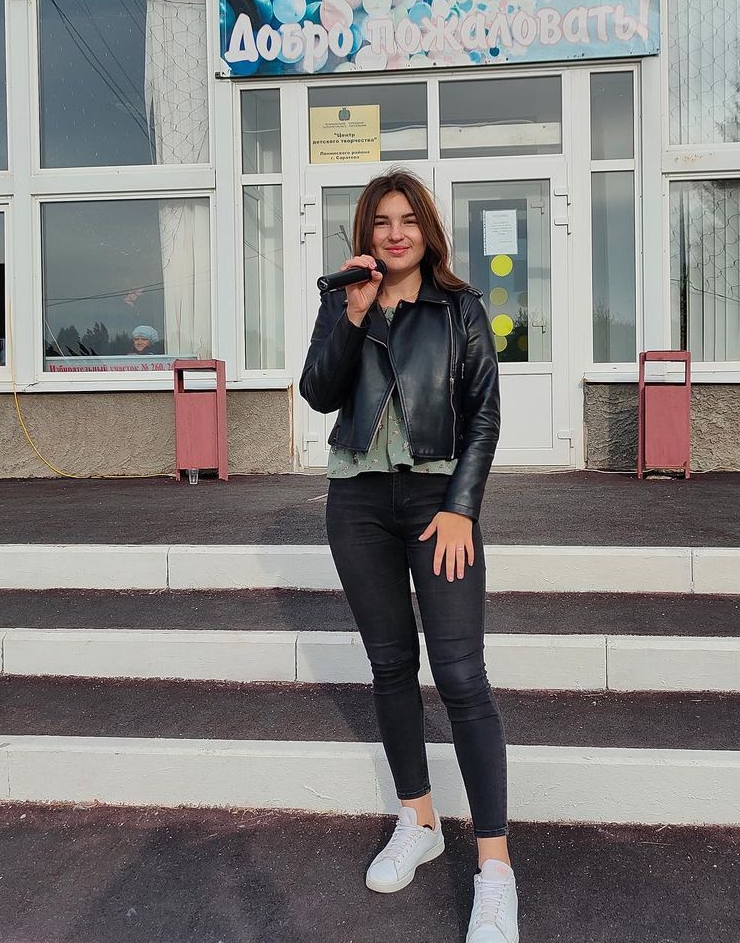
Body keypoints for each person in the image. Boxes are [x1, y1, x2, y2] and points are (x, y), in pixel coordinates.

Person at [299, 170, 517, 943]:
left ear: (427, 230)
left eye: (409, 221)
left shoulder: (460, 308)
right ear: (366, 232)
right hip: (357, 504)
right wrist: (353, 314)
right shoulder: (344, 300)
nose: (396, 234)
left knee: (460, 675)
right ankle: (418, 820)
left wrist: (462, 507)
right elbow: (318, 392)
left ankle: (495, 870)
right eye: (382, 221)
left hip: (436, 504)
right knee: (391, 666)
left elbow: (484, 414)